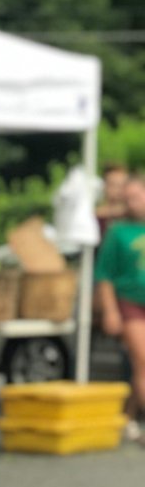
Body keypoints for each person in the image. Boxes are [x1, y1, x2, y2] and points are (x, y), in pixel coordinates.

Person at [94, 173, 145, 443]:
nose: (133, 202)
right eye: (129, 198)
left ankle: (128, 418)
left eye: (137, 196)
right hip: (130, 303)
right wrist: (110, 310)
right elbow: (104, 275)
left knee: (140, 369)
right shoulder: (117, 232)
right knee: (143, 361)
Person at [96, 161, 129, 238]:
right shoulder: (95, 218)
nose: (118, 190)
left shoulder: (135, 216)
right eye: (112, 185)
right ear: (104, 186)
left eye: (122, 185)